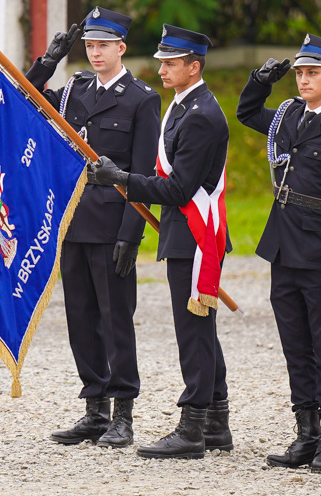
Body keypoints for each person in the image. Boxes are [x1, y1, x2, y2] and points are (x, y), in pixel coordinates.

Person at [91, 25, 232, 459]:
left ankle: (192, 428)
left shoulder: (202, 115)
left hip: (195, 235)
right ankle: (217, 424)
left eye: (171, 63)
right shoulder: (183, 105)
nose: (162, 68)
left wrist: (123, 180)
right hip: (182, 234)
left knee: (193, 332)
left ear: (195, 66)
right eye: (161, 61)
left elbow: (179, 189)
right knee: (200, 330)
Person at [235, 34, 321, 473]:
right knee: (296, 346)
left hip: (320, 252)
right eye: (299, 72)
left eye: (313, 72)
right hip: (284, 249)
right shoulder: (290, 118)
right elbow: (247, 113)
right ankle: (306, 434)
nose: (304, 79)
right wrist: (260, 80)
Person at [25, 7, 160, 448]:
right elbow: (27, 98)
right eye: (89, 45)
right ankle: (94, 409)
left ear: (121, 48)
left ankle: (123, 413)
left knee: (115, 318)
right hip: (72, 219)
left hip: (111, 226)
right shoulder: (73, 90)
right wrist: (48, 61)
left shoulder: (141, 98)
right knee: (81, 318)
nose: (95, 52)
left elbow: (140, 172)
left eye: (104, 45)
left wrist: (130, 235)